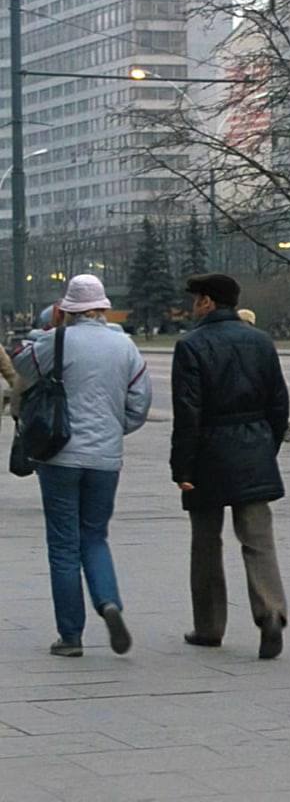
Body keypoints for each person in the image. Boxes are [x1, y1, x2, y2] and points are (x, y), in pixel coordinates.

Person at [13, 275, 152, 657]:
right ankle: (108, 602)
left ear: (67, 309)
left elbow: (20, 367)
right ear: (104, 308)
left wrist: (51, 329)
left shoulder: (56, 341)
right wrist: (113, 430)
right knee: (95, 535)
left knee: (63, 545)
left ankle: (71, 636)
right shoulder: (126, 347)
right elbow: (140, 404)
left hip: (59, 456)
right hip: (106, 459)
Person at [170, 273, 290, 659]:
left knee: (206, 543)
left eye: (195, 300)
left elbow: (187, 413)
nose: (193, 306)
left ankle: (209, 626)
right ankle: (271, 612)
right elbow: (279, 404)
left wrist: (182, 468)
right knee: (258, 539)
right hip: (254, 446)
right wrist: (266, 445)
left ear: (207, 302)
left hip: (208, 452)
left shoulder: (191, 345)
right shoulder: (261, 341)